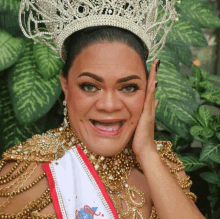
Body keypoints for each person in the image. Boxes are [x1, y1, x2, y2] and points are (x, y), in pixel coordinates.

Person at [0, 0, 205, 218]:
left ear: (148, 89)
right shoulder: (28, 172)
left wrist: (147, 152)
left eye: (128, 87)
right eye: (89, 86)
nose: (109, 106)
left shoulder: (164, 165)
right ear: (65, 86)